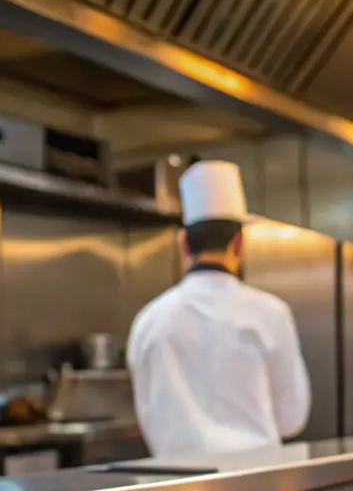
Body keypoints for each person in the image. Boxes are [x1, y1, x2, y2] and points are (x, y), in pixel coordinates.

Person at [128, 160, 311, 457]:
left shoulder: (149, 320)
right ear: (239, 244)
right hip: (257, 484)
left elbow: (148, 413)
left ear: (183, 243)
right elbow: (291, 419)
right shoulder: (270, 314)